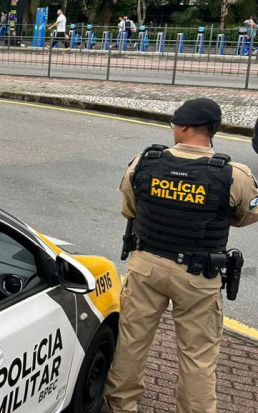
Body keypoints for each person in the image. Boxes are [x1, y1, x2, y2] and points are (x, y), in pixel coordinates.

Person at [104, 97, 258, 413]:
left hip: (146, 265)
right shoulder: (234, 174)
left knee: (132, 341)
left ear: (185, 127)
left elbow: (129, 209)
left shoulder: (144, 162)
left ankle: (121, 405)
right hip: (198, 274)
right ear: (213, 129)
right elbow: (244, 217)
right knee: (198, 356)